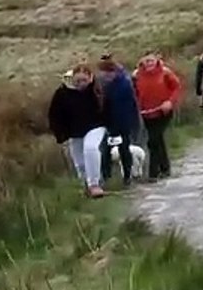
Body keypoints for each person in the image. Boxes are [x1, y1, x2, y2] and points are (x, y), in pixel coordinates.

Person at [48, 64, 108, 198]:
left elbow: (108, 107)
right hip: (74, 131)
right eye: (78, 81)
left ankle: (95, 184)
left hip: (96, 126)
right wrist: (60, 134)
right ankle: (85, 185)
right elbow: (55, 115)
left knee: (91, 148)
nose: (81, 84)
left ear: (90, 78)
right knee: (80, 162)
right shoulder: (62, 93)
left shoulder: (97, 89)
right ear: (72, 80)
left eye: (84, 81)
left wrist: (114, 127)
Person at [133, 53, 182, 181]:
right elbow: (134, 92)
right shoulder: (136, 75)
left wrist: (170, 102)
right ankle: (165, 168)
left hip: (163, 112)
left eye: (151, 60)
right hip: (146, 113)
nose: (149, 63)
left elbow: (176, 87)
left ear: (156, 60)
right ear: (142, 62)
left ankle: (153, 173)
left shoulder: (165, 73)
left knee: (153, 140)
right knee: (157, 140)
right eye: (146, 61)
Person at [96, 55, 140, 188]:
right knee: (105, 150)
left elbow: (131, 104)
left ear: (113, 71)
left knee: (124, 150)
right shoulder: (101, 84)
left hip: (122, 123)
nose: (104, 76)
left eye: (107, 73)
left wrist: (132, 122)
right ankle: (106, 177)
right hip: (107, 123)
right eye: (102, 73)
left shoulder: (124, 84)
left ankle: (127, 176)